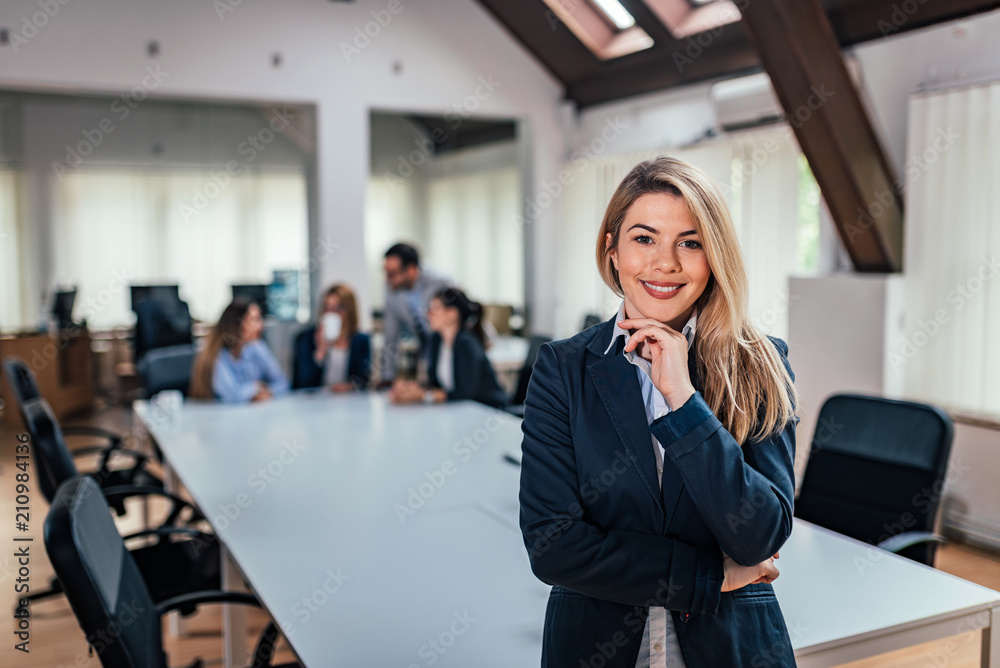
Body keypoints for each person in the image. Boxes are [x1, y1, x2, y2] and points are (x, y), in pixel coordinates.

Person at [518, 156, 799, 667]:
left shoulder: (761, 362)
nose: (665, 263)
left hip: (732, 647)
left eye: (690, 242)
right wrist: (709, 575)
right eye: (644, 238)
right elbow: (553, 545)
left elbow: (759, 533)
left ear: (713, 256)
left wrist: (683, 400)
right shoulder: (564, 368)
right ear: (612, 248)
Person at [389, 287, 507, 409]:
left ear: (452, 315)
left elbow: (465, 394)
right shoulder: (437, 340)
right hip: (459, 411)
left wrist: (423, 395)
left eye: (435, 309)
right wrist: (412, 388)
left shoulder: (466, 344)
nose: (429, 314)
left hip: (487, 411)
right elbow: (437, 385)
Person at [189, 300, 289, 403]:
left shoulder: (257, 347)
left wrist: (268, 392)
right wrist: (257, 387)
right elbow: (232, 396)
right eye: (255, 320)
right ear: (238, 324)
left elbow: (282, 383)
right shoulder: (215, 354)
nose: (261, 326)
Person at [380, 243, 450, 383]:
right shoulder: (392, 290)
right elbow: (390, 335)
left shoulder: (441, 283)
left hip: (449, 348)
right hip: (426, 348)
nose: (387, 279)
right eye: (386, 272)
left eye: (392, 273)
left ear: (411, 270)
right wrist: (387, 378)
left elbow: (463, 313)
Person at [292, 284, 372, 392]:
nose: (330, 313)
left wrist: (351, 386)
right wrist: (320, 352)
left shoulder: (361, 341)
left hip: (348, 401)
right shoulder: (305, 339)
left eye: (337, 309)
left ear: (349, 311)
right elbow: (303, 384)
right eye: (326, 308)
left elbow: (364, 381)